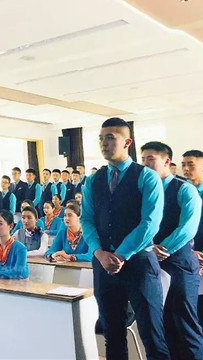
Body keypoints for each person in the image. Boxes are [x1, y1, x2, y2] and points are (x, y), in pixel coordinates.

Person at [81, 117, 168, 359]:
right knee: (112, 334)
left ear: (127, 142)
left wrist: (121, 255)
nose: (104, 143)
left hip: (138, 263)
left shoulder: (146, 177)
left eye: (110, 138)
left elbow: (150, 223)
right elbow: (86, 219)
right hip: (103, 264)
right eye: (101, 138)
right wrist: (99, 252)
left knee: (152, 335)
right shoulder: (93, 180)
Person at [141, 142, 203, 359]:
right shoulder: (145, 191)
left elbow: (188, 227)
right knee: (163, 324)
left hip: (179, 264)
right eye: (143, 160)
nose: (145, 164)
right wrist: (149, 247)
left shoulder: (184, 189)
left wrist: (163, 248)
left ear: (167, 161)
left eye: (150, 159)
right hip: (152, 264)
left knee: (185, 324)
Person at [182, 149, 203, 359]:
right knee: (197, 311)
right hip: (187, 260)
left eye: (191, 165)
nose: (186, 169)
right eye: (183, 164)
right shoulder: (182, 192)